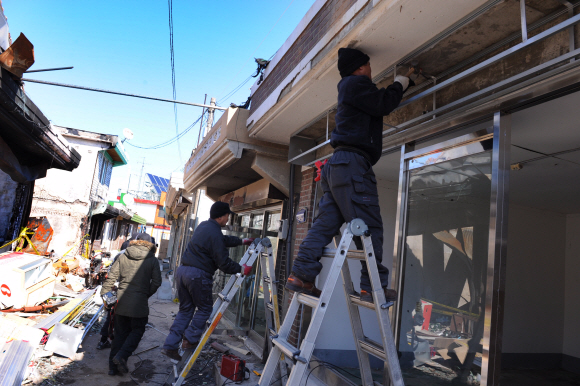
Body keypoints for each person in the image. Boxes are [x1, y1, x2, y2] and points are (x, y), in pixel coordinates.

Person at [286, 47, 414, 303]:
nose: (370, 69)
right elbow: (383, 103)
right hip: (353, 164)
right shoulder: (356, 84)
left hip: (339, 166)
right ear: (360, 68)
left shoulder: (349, 88)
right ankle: (372, 287)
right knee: (370, 228)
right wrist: (402, 82)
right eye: (368, 65)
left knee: (324, 225)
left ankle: (300, 276)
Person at [161, 201, 254, 361]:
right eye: (227, 216)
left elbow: (221, 240)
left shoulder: (204, 226)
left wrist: (241, 241)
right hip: (198, 275)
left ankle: (170, 345)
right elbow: (223, 263)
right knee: (204, 309)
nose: (228, 219)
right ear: (222, 216)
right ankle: (189, 340)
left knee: (185, 310)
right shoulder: (215, 232)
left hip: (183, 271)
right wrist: (241, 269)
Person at [101, 233, 162, 376]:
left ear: (134, 242)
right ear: (149, 244)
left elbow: (110, 279)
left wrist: (106, 297)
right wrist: (145, 294)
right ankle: (122, 356)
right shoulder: (152, 260)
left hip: (121, 302)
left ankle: (112, 368)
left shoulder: (123, 256)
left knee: (119, 334)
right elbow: (157, 282)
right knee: (137, 330)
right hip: (139, 304)